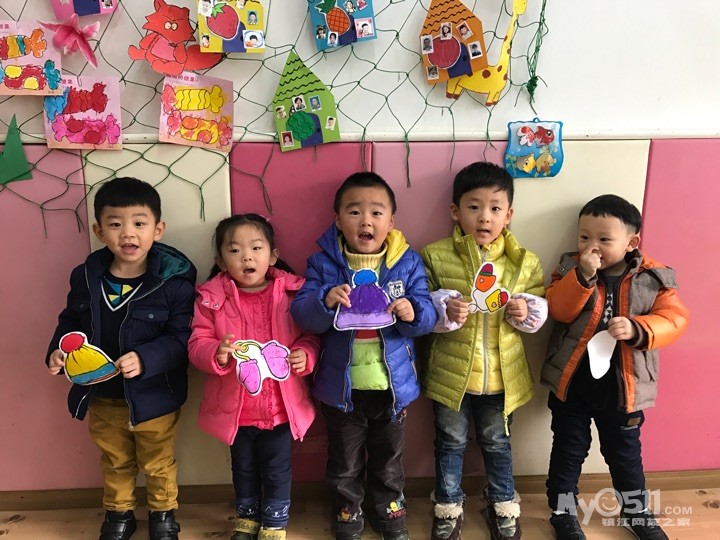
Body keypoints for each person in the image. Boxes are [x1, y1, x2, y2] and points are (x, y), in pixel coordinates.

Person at [45, 177, 196, 540]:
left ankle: (163, 515)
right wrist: (58, 350)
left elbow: (182, 339)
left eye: (139, 223)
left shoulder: (174, 283)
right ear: (99, 231)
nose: (128, 233)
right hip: (101, 396)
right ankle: (119, 515)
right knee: (114, 461)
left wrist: (145, 358)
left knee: (158, 463)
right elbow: (70, 322)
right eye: (115, 224)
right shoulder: (86, 277)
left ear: (158, 229)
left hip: (155, 397)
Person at [291, 172, 437, 540]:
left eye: (376, 212)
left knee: (389, 461)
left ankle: (389, 511)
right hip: (341, 389)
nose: (365, 221)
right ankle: (347, 512)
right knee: (344, 462)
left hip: (393, 388)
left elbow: (427, 316)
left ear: (391, 221)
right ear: (338, 220)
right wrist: (325, 301)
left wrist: (413, 312)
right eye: (354, 212)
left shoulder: (407, 263)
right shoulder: (323, 264)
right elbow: (302, 314)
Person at [542, 195, 689, 540]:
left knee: (625, 456)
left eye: (604, 239)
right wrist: (582, 276)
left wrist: (639, 328)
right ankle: (563, 512)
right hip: (573, 385)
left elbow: (676, 319)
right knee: (567, 452)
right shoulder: (569, 268)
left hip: (624, 389)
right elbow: (558, 310)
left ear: (631, 243)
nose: (591, 246)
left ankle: (636, 513)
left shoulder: (654, 277)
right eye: (584, 237)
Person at [421, 162, 547, 540]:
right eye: (474, 207)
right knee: (450, 442)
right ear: (455, 211)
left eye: (495, 208)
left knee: (497, 442)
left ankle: (503, 503)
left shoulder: (523, 261)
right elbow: (421, 307)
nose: (484, 217)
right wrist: (443, 309)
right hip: (451, 377)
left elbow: (539, 307)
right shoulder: (434, 255)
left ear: (509, 215)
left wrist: (526, 311)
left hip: (502, 377)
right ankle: (448, 505)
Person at [188, 214, 319, 540]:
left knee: (277, 469)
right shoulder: (211, 299)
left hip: (280, 408)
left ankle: (274, 521)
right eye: (235, 250)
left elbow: (311, 335)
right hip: (237, 410)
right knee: (243, 467)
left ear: (272, 255)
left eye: (256, 248)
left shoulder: (293, 293)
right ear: (221, 261)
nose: (246, 257)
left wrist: (306, 354)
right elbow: (196, 342)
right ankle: (247, 516)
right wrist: (216, 352)